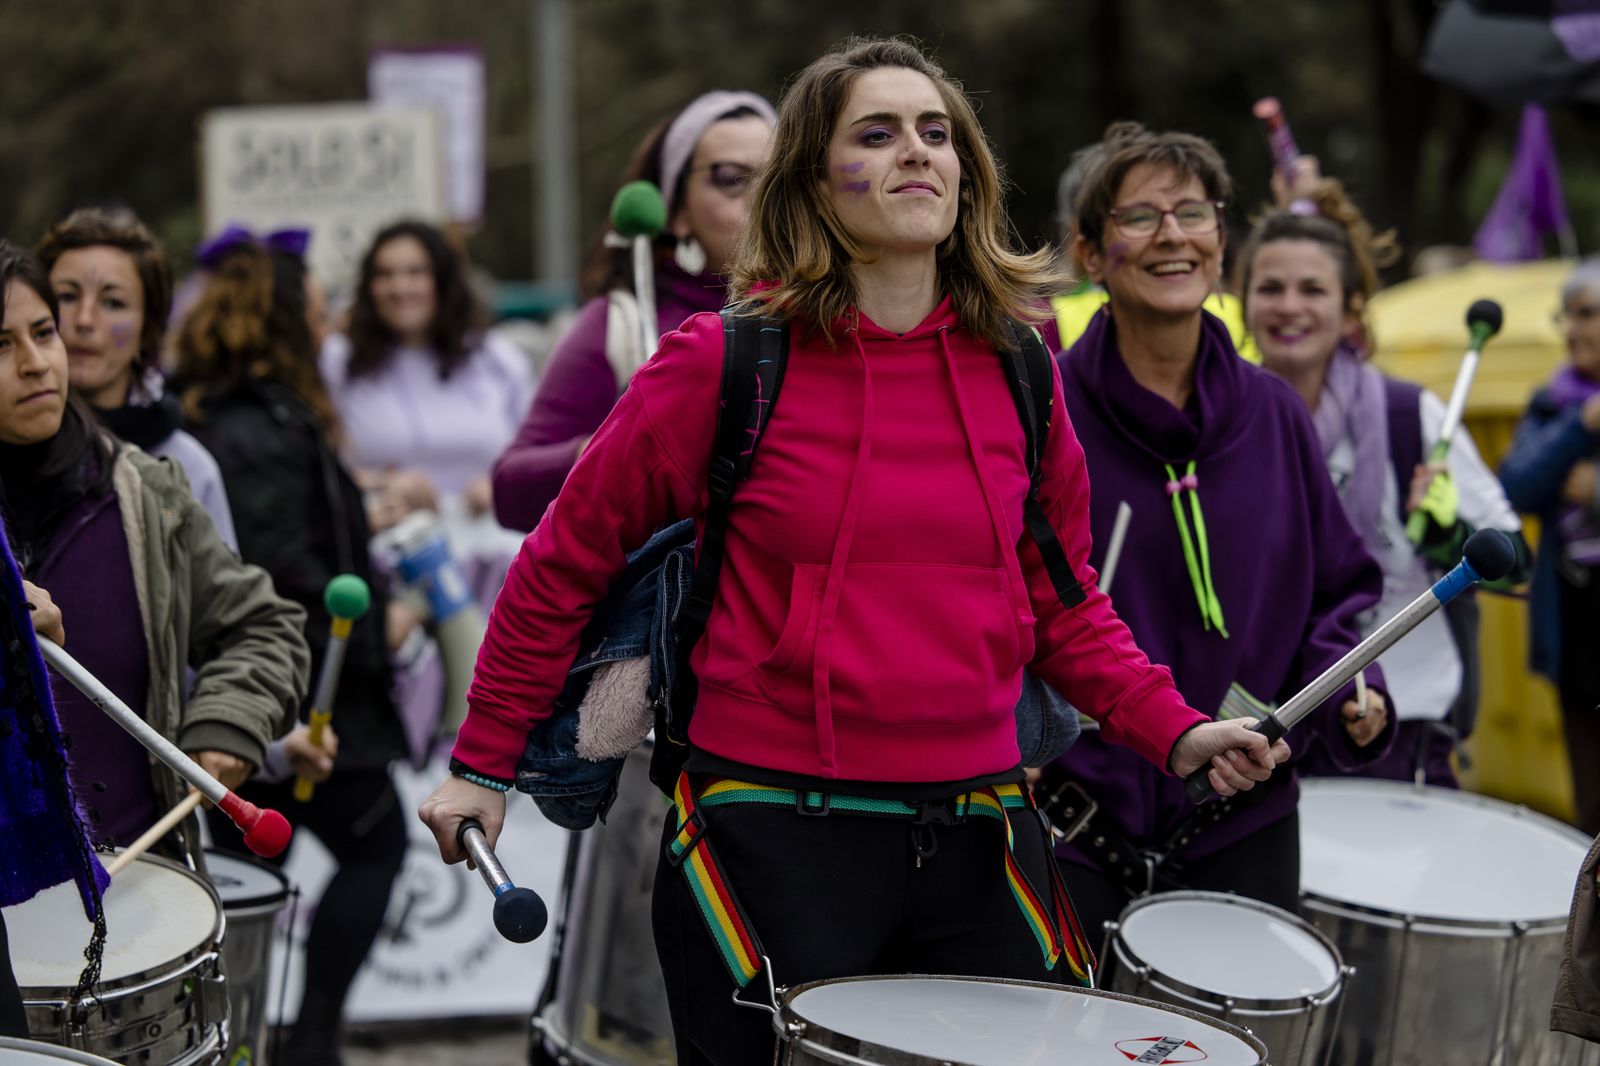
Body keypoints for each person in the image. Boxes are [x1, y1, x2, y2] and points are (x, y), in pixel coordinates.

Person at [420, 38, 1287, 1065]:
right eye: (875, 134)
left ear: (966, 173)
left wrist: (1174, 730)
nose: (915, 151)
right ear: (812, 181)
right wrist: (482, 764)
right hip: (766, 832)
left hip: (981, 829)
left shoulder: (1022, 367)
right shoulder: (721, 362)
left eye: (935, 132)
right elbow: (562, 562)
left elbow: (1063, 604)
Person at [1045, 121, 1393, 937]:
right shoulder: (1042, 409)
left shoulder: (1275, 411)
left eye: (1194, 213)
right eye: (1140, 217)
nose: (1173, 236)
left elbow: (1338, 593)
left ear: (1220, 241)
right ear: (1089, 253)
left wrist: (1348, 689)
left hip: (1243, 813)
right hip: (1073, 820)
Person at [173, 236, 407, 1066]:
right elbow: (277, 569)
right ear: (282, 319)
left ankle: (259, 1039)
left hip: (282, 689)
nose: (326, 323)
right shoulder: (251, 427)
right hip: (299, 692)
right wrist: (376, 630)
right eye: (314, 310)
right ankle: (302, 1041)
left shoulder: (237, 415)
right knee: (373, 845)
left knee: (249, 875)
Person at [0, 239, 307, 859]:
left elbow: (263, 627)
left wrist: (228, 718)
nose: (36, 363)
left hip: (138, 874)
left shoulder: (146, 490)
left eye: (43, 333)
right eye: (1, 345)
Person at [1240, 182, 1528, 786]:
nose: (1289, 306)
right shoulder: (1220, 422)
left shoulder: (1410, 417)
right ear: (1243, 303)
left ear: (1351, 309)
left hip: (1405, 733)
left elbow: (1515, 561)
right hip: (1255, 738)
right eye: (1270, 289)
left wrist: (1449, 534)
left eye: (1312, 289)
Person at [491, 90, 776, 531]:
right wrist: (614, 451)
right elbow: (510, 490)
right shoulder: (619, 324)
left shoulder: (832, 314)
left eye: (776, 178)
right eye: (732, 178)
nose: (761, 199)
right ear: (676, 211)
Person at [36, 206, 237, 546]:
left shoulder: (188, 468)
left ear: (148, 328)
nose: (85, 319)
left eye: (113, 302)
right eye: (67, 296)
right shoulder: (13, 448)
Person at [322, 220, 535, 521]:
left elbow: (536, 454)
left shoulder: (496, 357)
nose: (400, 288)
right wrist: (382, 483)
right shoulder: (338, 361)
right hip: (383, 539)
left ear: (443, 280)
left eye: (415, 272)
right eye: (385, 274)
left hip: (491, 540)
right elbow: (318, 469)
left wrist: (500, 487)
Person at [1500, 259, 1600, 835]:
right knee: (1592, 796)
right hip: (1575, 618)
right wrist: (1581, 423)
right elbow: (1516, 487)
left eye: (1587, 314)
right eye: (1567, 316)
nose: (1573, 330)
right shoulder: (1554, 403)